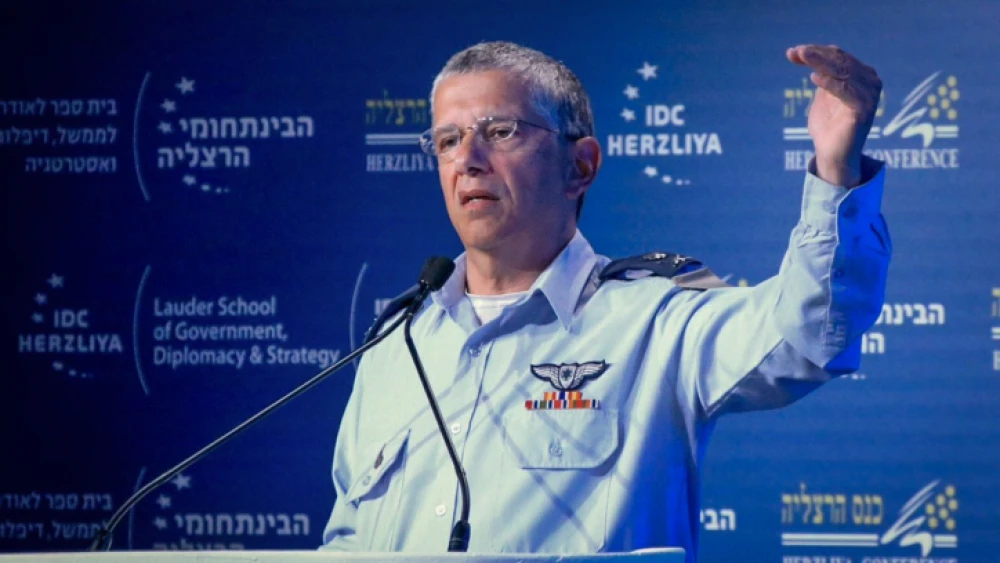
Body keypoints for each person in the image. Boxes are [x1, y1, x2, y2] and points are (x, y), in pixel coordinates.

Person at [320, 41, 889, 561]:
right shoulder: (397, 345)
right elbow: (347, 538)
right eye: (448, 140)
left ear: (580, 166)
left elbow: (806, 341)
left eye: (499, 132)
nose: (468, 158)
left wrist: (835, 174)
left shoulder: (657, 322)